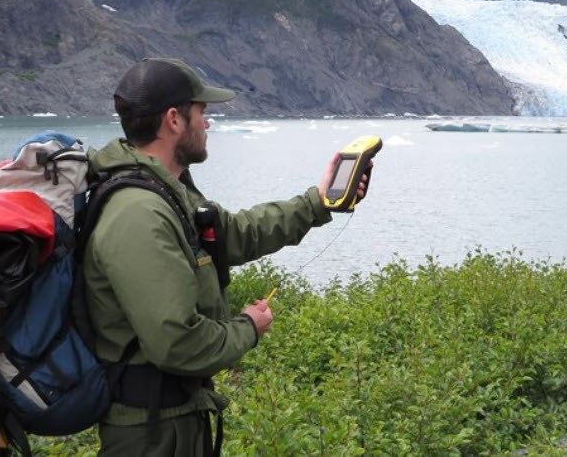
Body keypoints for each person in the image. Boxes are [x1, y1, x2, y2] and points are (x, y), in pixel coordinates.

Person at [82, 57, 367, 456]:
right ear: (174, 120)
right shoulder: (138, 214)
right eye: (202, 112)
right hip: (150, 435)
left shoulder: (167, 192)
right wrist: (248, 327)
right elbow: (177, 344)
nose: (208, 124)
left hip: (174, 420)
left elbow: (237, 234)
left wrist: (319, 202)